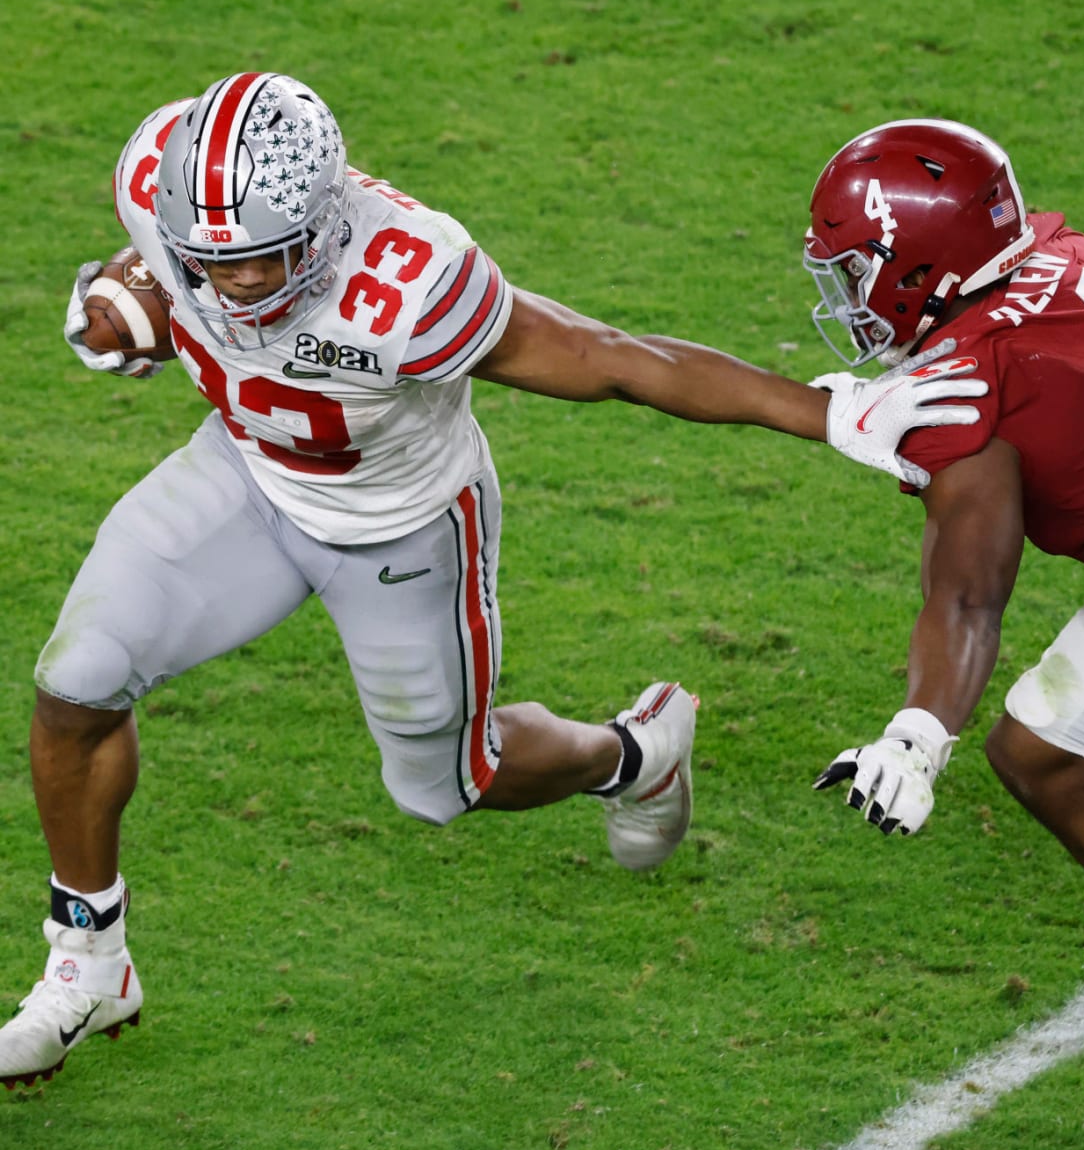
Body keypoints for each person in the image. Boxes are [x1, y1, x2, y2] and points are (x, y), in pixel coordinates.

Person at [0, 75, 986, 1090]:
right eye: (208, 263)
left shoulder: (414, 284)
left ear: (325, 221)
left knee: (445, 785)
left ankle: (632, 753)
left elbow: (613, 360)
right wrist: (116, 302)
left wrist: (822, 412)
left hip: (403, 528)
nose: (233, 286)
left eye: (260, 260)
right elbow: (153, 282)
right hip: (244, 478)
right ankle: (90, 962)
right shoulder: (158, 177)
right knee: (77, 683)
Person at [804, 116, 1084, 1074]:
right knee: (1049, 757)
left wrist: (917, 735)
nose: (845, 294)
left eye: (855, 268)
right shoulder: (1054, 258)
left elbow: (969, 596)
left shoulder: (975, 379)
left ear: (918, 267)